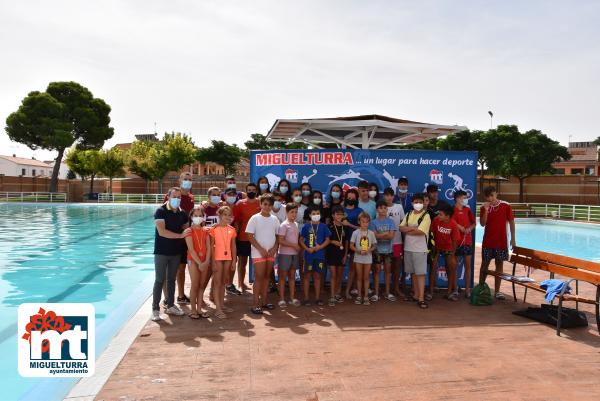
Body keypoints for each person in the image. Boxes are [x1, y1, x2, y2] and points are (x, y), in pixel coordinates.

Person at [152, 187, 190, 321]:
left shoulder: (182, 213)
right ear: (168, 197)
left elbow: (188, 229)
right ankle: (155, 309)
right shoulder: (160, 211)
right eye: (174, 196)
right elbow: (162, 232)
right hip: (162, 252)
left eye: (179, 197)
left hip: (176, 252)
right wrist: (180, 236)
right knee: (159, 279)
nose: (177, 199)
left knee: (171, 280)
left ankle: (171, 305)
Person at [162, 172, 195, 305]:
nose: (187, 181)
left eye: (190, 179)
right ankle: (167, 297)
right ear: (180, 180)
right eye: (185, 179)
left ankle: (181, 295)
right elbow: (164, 214)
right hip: (172, 237)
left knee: (182, 268)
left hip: (185, 238)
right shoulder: (172, 196)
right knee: (169, 270)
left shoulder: (191, 197)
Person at [245, 193, 280, 314]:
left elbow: (278, 237)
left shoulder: (275, 219)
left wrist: (274, 248)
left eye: (270, 204)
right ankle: (255, 304)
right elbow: (250, 236)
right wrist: (260, 249)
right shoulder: (255, 218)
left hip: (270, 254)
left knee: (266, 277)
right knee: (259, 277)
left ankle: (264, 302)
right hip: (258, 253)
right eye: (265, 204)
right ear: (260, 204)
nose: (267, 207)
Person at [479, 186, 516, 300]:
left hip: (501, 242)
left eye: (492, 195)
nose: (491, 198)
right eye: (488, 196)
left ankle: (497, 291)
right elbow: (482, 224)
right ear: (485, 197)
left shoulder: (506, 205)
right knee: (484, 265)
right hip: (488, 242)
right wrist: (485, 210)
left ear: (496, 194)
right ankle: (480, 288)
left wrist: (513, 238)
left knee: (499, 265)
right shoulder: (483, 207)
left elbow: (511, 222)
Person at [400, 193, 431, 309]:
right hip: (408, 248)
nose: (418, 204)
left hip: (420, 250)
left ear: (423, 203)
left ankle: (421, 298)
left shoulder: (426, 216)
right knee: (412, 273)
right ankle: (416, 295)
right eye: (416, 202)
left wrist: (408, 230)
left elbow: (421, 232)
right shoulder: (408, 214)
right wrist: (413, 228)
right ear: (412, 203)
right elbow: (400, 228)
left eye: (420, 202)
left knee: (420, 274)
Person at [209, 206, 237, 319]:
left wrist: (234, 260)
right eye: (225, 214)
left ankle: (221, 304)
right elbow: (211, 246)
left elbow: (233, 246)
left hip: (228, 258)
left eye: (229, 215)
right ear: (219, 215)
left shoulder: (232, 229)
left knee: (223, 282)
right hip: (217, 258)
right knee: (217, 282)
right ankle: (218, 309)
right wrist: (213, 261)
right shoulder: (214, 229)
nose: (227, 217)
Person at [299, 207, 331, 306]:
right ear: (310, 215)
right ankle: (306, 298)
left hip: (319, 255)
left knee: (317, 276)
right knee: (307, 276)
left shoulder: (324, 226)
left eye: (317, 213)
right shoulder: (306, 226)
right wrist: (307, 248)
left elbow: (328, 239)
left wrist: (320, 247)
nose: (316, 215)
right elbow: (300, 240)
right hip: (308, 255)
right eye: (314, 213)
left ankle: (317, 298)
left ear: (320, 215)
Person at [184, 206, 211, 319]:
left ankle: (199, 309)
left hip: (204, 261)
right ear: (191, 217)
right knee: (195, 284)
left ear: (203, 217)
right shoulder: (188, 231)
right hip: (193, 260)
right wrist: (200, 263)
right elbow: (191, 249)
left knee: (201, 285)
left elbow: (209, 248)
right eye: (195, 216)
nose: (198, 217)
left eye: (200, 215)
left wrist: (206, 261)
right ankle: (193, 310)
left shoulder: (206, 230)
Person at [233, 183, 261, 293]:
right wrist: (236, 236)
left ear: (256, 191)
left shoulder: (261, 203)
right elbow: (236, 222)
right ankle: (240, 284)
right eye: (249, 190)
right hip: (243, 238)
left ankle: (261, 286)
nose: (251, 191)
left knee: (259, 263)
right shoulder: (239, 204)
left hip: (258, 238)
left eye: (253, 190)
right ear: (245, 191)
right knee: (242, 263)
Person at [431, 203, 461, 301]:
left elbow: (455, 240)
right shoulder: (435, 221)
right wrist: (434, 247)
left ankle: (449, 292)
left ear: (447, 216)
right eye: (438, 214)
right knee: (433, 267)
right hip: (437, 248)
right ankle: (431, 292)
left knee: (450, 268)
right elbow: (432, 233)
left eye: (440, 214)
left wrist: (452, 254)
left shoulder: (453, 224)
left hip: (449, 249)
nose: (438, 216)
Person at [370, 200, 397, 302]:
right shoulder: (373, 222)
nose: (383, 210)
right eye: (381, 208)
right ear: (377, 209)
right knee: (376, 271)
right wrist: (385, 234)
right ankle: (376, 293)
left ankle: (387, 293)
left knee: (387, 271)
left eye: (385, 208)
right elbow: (374, 237)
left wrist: (380, 235)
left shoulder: (391, 221)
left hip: (388, 251)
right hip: (377, 251)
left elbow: (391, 236)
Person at [452, 190, 476, 298]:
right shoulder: (452, 210)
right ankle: (455, 289)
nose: (465, 199)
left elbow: (474, 223)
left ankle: (467, 291)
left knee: (468, 266)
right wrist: (459, 227)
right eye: (463, 197)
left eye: (466, 197)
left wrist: (469, 229)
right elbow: (451, 221)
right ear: (457, 199)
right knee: (455, 266)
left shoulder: (468, 210)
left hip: (468, 242)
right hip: (456, 242)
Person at [350, 212, 377, 305]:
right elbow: (351, 245)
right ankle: (359, 296)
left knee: (366, 278)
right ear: (359, 222)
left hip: (368, 258)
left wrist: (369, 250)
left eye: (367, 222)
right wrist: (358, 251)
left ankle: (366, 296)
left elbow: (374, 246)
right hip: (358, 258)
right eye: (363, 222)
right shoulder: (355, 232)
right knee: (359, 277)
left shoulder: (371, 233)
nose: (365, 224)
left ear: (369, 222)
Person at [277, 204, 301, 307]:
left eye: (296, 212)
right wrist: (294, 246)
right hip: (284, 254)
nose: (294, 214)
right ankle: (282, 299)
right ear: (286, 213)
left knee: (292, 277)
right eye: (292, 212)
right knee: (282, 277)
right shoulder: (283, 225)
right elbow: (280, 240)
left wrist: (297, 246)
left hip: (294, 254)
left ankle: (292, 298)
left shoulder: (296, 224)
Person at [383, 187, 405, 297]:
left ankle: (396, 288)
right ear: (384, 196)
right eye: (386, 195)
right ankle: (386, 289)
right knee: (386, 266)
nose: (388, 197)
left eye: (390, 195)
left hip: (397, 242)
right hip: (384, 243)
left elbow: (403, 224)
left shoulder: (399, 207)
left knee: (397, 266)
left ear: (393, 197)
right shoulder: (381, 208)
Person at [327, 205, 350, 306]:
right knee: (333, 274)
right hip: (331, 253)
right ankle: (332, 296)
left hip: (341, 254)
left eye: (341, 214)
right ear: (333, 215)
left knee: (339, 275)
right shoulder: (329, 226)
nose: (339, 216)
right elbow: (326, 240)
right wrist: (333, 242)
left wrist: (345, 255)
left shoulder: (345, 227)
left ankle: (337, 293)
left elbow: (346, 242)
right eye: (337, 214)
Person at [342, 188, 363, 300]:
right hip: (341, 242)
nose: (350, 199)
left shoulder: (360, 211)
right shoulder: (341, 209)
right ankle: (336, 291)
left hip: (355, 242)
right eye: (348, 198)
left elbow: (362, 227)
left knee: (352, 268)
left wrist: (349, 225)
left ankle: (348, 290)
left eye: (353, 198)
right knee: (339, 267)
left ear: (356, 198)